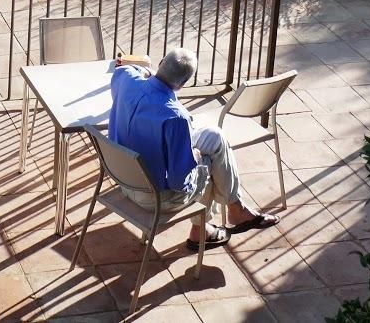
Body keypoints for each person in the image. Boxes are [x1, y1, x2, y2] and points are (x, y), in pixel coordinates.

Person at [108, 47, 279, 248]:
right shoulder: (176, 117)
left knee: (214, 137)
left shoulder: (124, 79)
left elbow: (130, 70)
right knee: (206, 163)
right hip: (154, 197)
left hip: (123, 178)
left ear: (161, 62)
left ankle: (232, 209)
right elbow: (179, 182)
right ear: (183, 84)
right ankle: (209, 225)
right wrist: (195, 159)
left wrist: (149, 72)